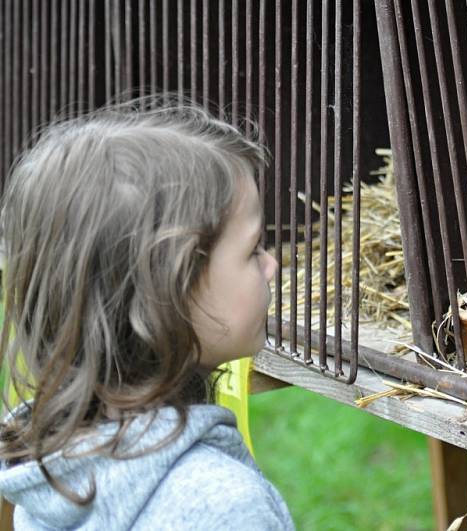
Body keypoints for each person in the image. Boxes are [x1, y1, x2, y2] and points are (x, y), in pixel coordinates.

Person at [0, 97, 294, 530]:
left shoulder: (54, 471)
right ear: (170, 293)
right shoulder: (223, 506)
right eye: (252, 251)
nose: (271, 264)